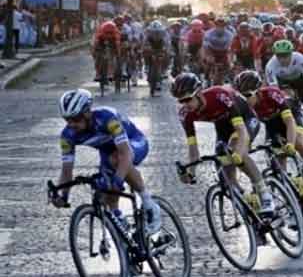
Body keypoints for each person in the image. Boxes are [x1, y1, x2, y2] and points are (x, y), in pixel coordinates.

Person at [53, 89, 161, 235]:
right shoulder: (68, 135)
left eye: (76, 119)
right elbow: (66, 170)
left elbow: (125, 153)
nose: (72, 124)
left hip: (133, 143)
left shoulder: (107, 119)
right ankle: (121, 226)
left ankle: (149, 203)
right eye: (67, 120)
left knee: (117, 162)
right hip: (108, 152)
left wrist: (118, 180)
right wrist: (62, 194)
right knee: (104, 192)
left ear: (87, 113)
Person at [171, 73, 275, 215]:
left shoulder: (219, 96)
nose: (185, 104)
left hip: (245, 119)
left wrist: (239, 152)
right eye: (181, 101)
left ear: (199, 93)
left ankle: (265, 194)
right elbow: (193, 148)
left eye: (188, 99)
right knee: (224, 174)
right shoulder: (186, 115)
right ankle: (249, 203)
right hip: (223, 127)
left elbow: (242, 132)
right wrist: (190, 172)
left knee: (235, 149)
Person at [233, 70, 303, 197]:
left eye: (248, 95)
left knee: (298, 142)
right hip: (273, 126)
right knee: (279, 164)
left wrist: (290, 143)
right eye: (241, 96)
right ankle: (295, 196)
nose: (244, 100)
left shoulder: (272, 94)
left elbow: (290, 123)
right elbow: (246, 129)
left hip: (292, 118)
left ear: (258, 91)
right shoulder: (243, 106)